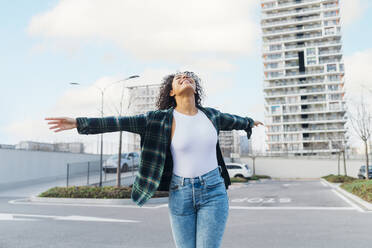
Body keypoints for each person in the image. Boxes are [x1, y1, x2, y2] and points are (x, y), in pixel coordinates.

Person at [45, 71, 263, 248]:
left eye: (189, 76)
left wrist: (250, 123)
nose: (185, 78)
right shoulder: (158, 120)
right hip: (181, 192)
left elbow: (236, 120)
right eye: (179, 78)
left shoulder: (211, 116)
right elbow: (118, 122)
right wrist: (78, 123)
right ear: (171, 92)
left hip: (214, 191)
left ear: (195, 88)